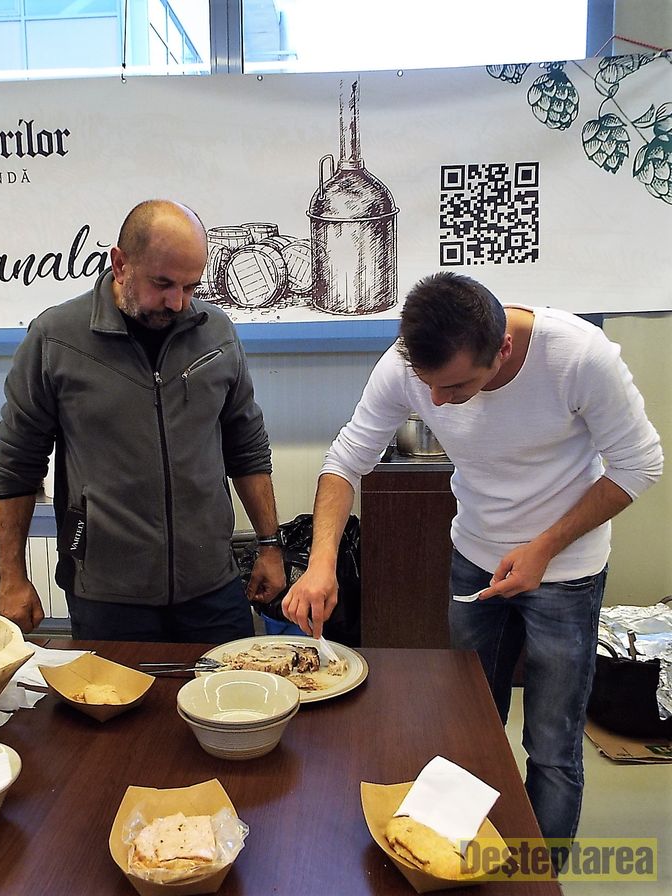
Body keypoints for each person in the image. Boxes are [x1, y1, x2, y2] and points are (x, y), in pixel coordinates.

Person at [284, 272, 663, 853]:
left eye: (456, 386)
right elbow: (346, 460)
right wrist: (321, 563)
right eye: (428, 385)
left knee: (552, 746)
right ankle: (458, 859)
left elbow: (640, 464)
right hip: (474, 560)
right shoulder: (404, 366)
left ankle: (536, 879)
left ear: (502, 349)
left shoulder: (579, 356)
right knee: (466, 723)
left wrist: (543, 548)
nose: (436, 402)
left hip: (566, 571)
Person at [0, 199, 286, 642]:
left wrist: (269, 545)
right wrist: (12, 576)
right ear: (120, 264)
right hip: (107, 594)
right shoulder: (56, 339)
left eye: (191, 286)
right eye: (162, 283)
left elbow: (246, 446)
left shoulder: (217, 332)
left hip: (212, 586)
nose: (178, 302)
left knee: (233, 686)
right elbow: (17, 464)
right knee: (120, 691)